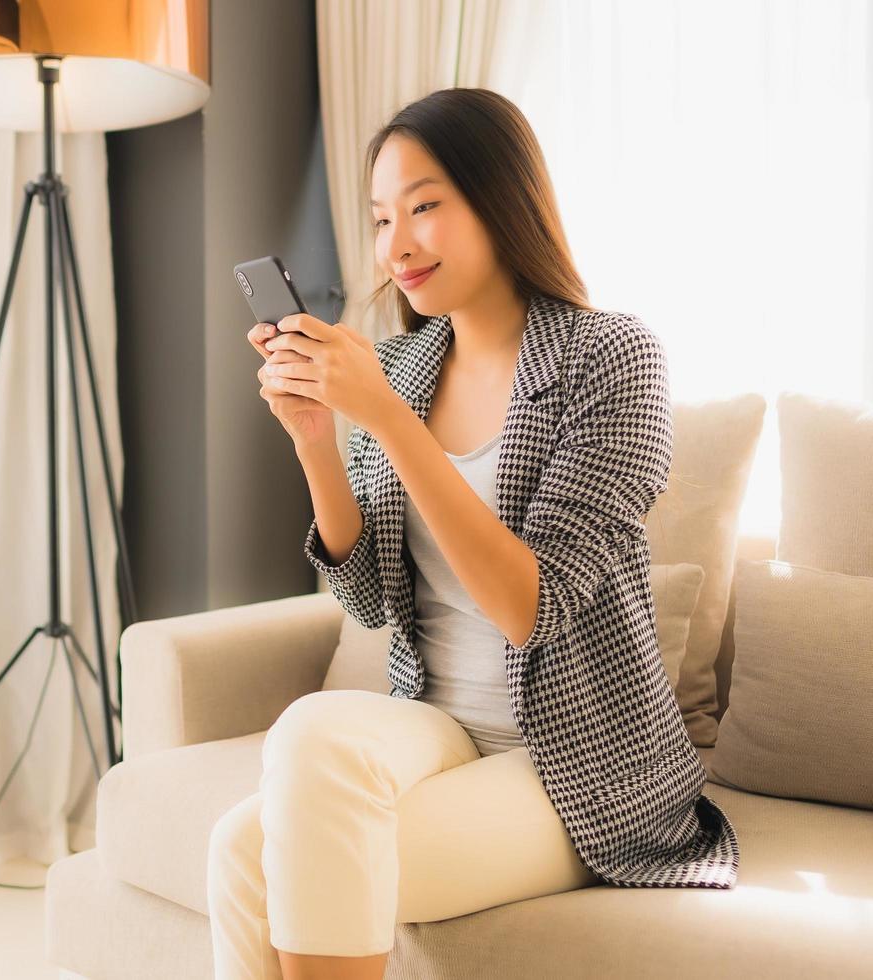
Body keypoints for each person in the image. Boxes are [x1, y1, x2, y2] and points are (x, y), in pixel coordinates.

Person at [212, 87, 739, 980]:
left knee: (276, 817)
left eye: (425, 206)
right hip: (442, 727)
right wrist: (317, 445)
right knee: (255, 818)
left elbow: (528, 605)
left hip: (579, 764)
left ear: (502, 197)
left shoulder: (612, 358)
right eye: (382, 218)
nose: (397, 245)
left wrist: (387, 421)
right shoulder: (409, 365)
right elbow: (370, 598)